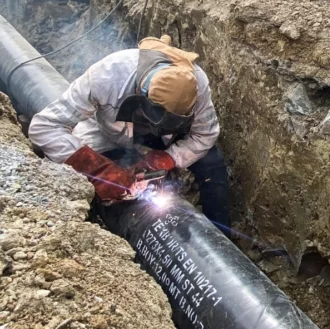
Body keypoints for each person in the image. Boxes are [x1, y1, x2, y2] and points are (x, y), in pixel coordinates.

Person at [29, 35, 231, 229]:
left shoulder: (196, 84)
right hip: (107, 132)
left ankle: (223, 238)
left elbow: (205, 134)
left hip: (164, 137)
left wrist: (167, 159)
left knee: (211, 163)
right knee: (117, 187)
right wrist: (97, 169)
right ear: (140, 97)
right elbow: (44, 127)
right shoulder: (108, 75)